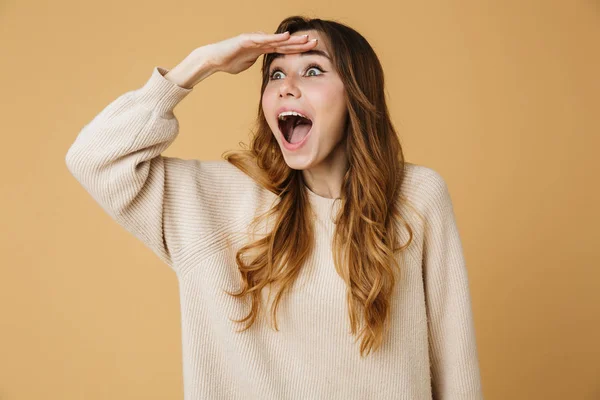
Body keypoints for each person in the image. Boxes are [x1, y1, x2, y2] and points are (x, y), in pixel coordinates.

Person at [65, 15, 484, 400]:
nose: (286, 85)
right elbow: (93, 159)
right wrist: (199, 65)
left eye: (314, 70)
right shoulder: (214, 202)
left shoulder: (416, 197)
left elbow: (456, 366)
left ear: (357, 95)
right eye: (276, 74)